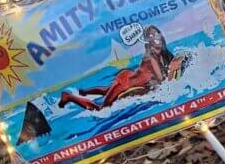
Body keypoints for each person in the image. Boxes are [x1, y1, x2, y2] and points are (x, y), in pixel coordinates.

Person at [57, 26, 187, 112]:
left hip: (131, 78)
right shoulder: (151, 56)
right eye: (151, 36)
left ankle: (84, 92)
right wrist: (174, 69)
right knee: (101, 109)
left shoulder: (163, 55)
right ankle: (70, 97)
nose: (155, 38)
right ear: (148, 41)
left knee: (106, 90)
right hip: (126, 83)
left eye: (156, 34)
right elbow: (162, 81)